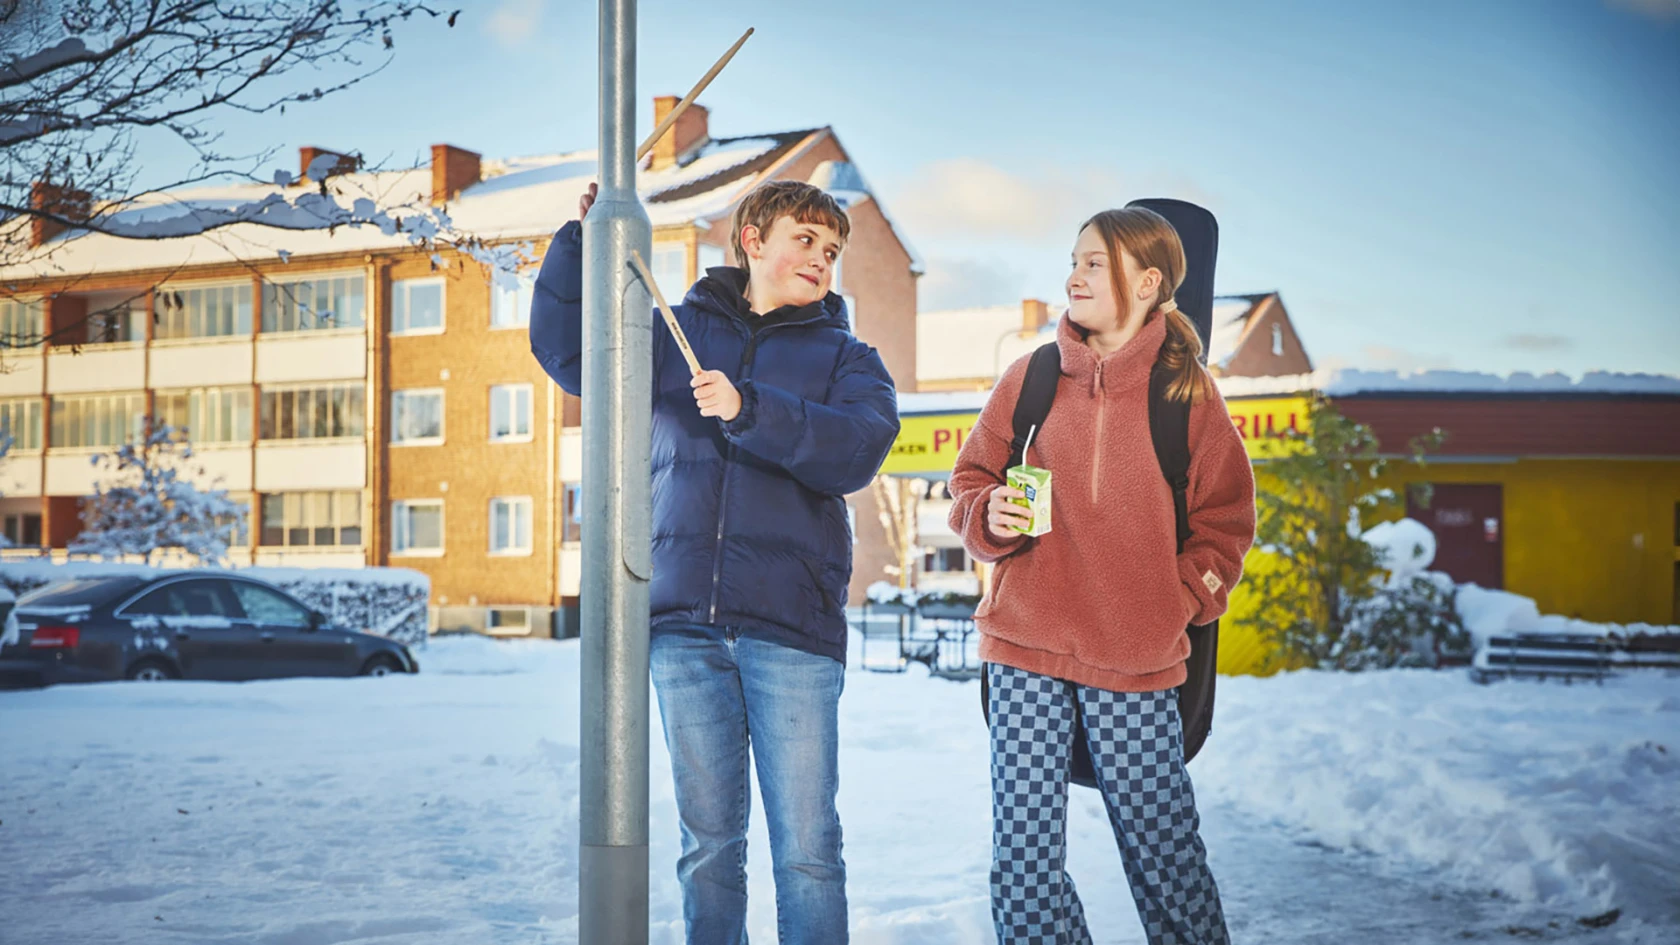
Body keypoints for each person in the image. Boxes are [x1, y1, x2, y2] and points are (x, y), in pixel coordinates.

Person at [530, 178, 900, 944]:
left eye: (831, 251)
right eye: (806, 239)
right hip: (684, 629)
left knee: (807, 851)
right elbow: (572, 356)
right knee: (708, 850)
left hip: (791, 630)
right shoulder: (673, 331)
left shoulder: (849, 358)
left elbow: (858, 446)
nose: (821, 260)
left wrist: (749, 407)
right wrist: (582, 241)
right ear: (753, 240)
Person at [948, 206, 1256, 944]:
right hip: (1024, 648)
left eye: (1095, 262)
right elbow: (969, 479)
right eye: (1074, 259)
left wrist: (1173, 602)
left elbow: (1225, 526)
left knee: (1165, 857)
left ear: (1148, 283)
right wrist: (989, 515)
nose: (1074, 275)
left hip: (1137, 661)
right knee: (1024, 862)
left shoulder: (1187, 395)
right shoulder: (1030, 378)